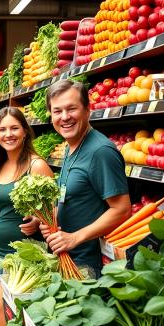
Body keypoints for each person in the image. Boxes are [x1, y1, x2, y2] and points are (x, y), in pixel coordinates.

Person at [41, 79, 131, 277]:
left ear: (87, 110)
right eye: (57, 111)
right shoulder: (70, 146)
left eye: (71, 108)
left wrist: (74, 238)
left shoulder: (100, 151)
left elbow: (122, 209)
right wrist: (49, 220)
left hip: (89, 267)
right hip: (68, 259)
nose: (65, 117)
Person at [0, 107, 53, 326]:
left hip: (26, 255)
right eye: (2, 129)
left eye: (14, 128)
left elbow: (53, 215)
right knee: (1, 314)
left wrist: (39, 221)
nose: (8, 134)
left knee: (8, 313)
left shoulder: (36, 166)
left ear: (25, 132)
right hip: (0, 254)